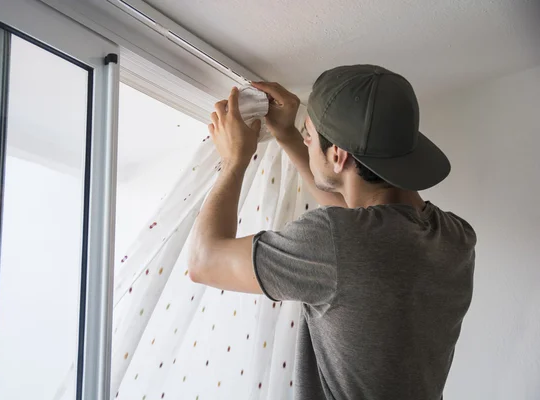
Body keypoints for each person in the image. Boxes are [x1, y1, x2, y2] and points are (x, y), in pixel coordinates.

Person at [188, 65, 476, 400]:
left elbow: (203, 260)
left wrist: (234, 159)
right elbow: (364, 225)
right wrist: (289, 136)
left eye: (309, 134)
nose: (306, 139)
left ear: (337, 154)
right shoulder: (457, 238)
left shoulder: (335, 240)